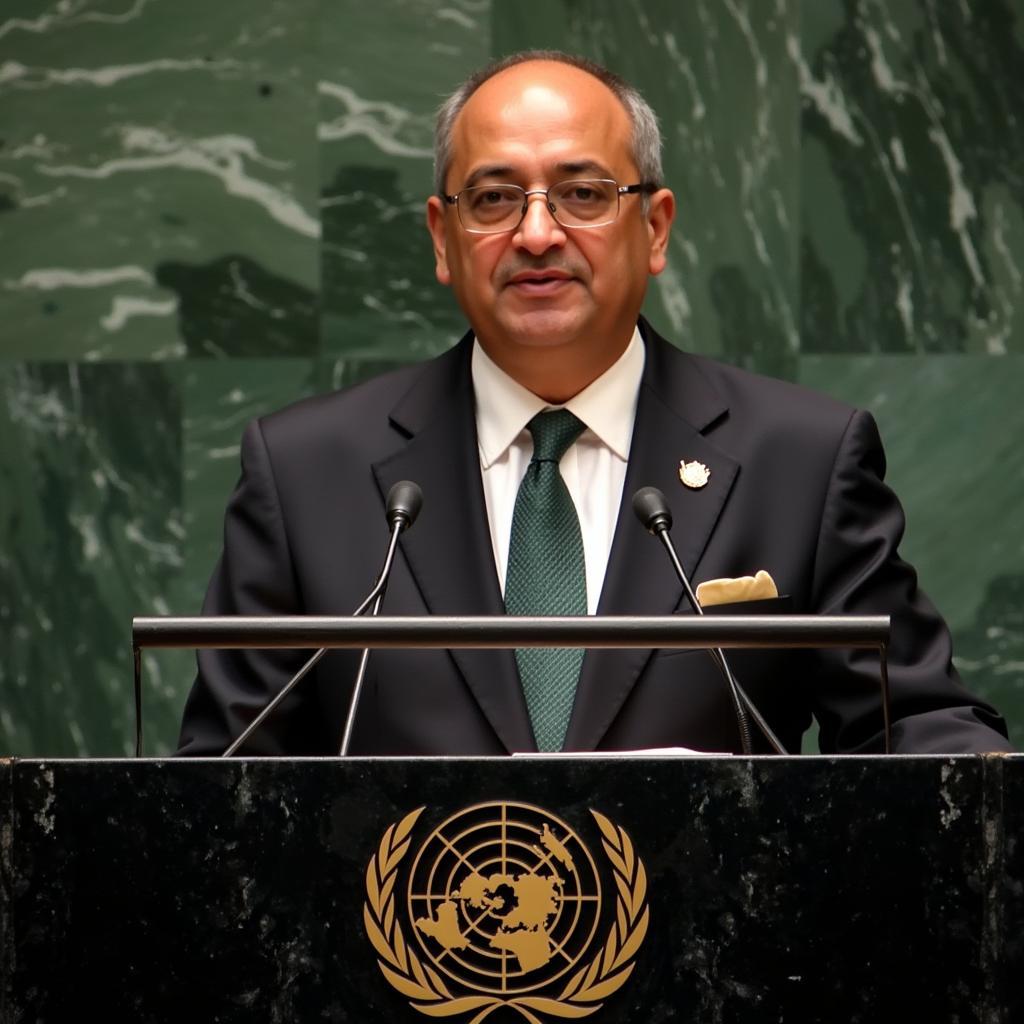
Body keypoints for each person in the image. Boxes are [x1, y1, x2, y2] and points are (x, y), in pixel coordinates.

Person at [177, 51, 1010, 756]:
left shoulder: (800, 459)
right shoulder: (306, 474)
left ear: (654, 227)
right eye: (496, 198)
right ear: (441, 238)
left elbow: (929, 734)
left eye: (582, 194)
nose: (537, 234)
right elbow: (218, 788)